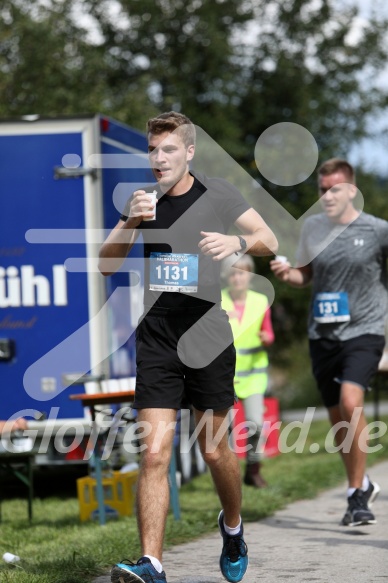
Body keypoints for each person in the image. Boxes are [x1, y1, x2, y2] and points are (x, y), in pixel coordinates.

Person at [99, 111, 278, 583]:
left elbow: (269, 237)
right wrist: (129, 222)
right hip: (157, 332)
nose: (159, 159)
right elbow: (104, 264)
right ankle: (152, 564)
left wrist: (236, 239)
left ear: (189, 152)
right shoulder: (143, 200)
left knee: (215, 451)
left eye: (169, 150)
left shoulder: (216, 193)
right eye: (153, 151)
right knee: (154, 452)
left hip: (207, 332)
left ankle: (233, 527)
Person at [270, 157, 386, 527]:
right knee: (339, 423)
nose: (327, 196)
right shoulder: (313, 228)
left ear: (351, 190)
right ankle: (362, 482)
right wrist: (288, 274)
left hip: (365, 329)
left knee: (351, 401)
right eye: (322, 190)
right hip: (322, 334)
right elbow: (305, 275)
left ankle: (355, 496)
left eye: (335, 189)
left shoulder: (377, 230)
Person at [221, 255, 275, 488]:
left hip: (253, 376)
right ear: (226, 276)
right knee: (229, 429)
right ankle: (228, 476)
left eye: (242, 272)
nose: (237, 277)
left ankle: (253, 470)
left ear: (250, 275)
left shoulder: (261, 301)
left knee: (254, 424)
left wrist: (267, 338)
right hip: (225, 377)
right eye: (233, 273)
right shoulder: (218, 301)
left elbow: (269, 333)